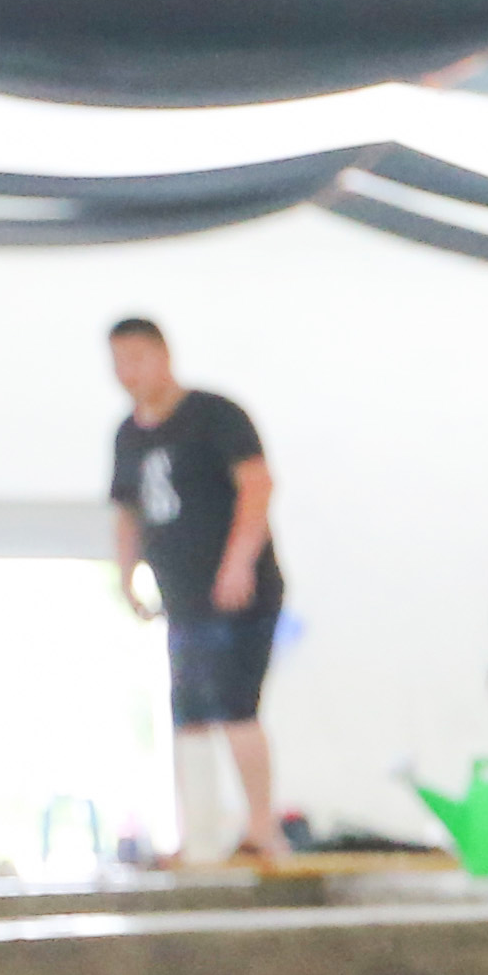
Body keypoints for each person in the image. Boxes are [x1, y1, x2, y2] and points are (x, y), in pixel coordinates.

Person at [104, 317, 283, 866]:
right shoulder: (129, 435)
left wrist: (238, 562)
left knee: (235, 706)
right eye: (118, 362)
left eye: (136, 358)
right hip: (180, 598)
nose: (127, 373)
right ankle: (199, 834)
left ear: (162, 355)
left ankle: (260, 827)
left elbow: (258, 484)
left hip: (237, 593)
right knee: (188, 713)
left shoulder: (214, 415)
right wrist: (126, 576)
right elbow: (126, 512)